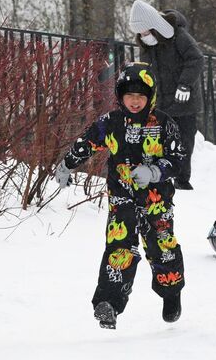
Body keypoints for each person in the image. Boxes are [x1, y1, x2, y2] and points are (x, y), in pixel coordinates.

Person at [54, 62, 186, 329]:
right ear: (120, 96)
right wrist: (68, 163)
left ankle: (170, 291)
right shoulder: (111, 122)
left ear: (150, 97)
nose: (135, 101)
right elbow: (87, 142)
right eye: (129, 95)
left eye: (140, 96)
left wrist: (155, 171)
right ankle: (109, 304)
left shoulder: (163, 124)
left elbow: (179, 159)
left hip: (156, 201)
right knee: (119, 247)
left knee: (162, 247)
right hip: (122, 197)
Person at [129, 0, 203, 190]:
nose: (143, 36)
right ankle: (161, 176)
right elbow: (147, 72)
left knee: (184, 140)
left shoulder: (179, 36)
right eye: (140, 33)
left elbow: (195, 58)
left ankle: (182, 180)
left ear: (155, 26)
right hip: (160, 103)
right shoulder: (146, 45)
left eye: (146, 31)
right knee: (160, 141)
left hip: (183, 101)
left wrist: (185, 85)